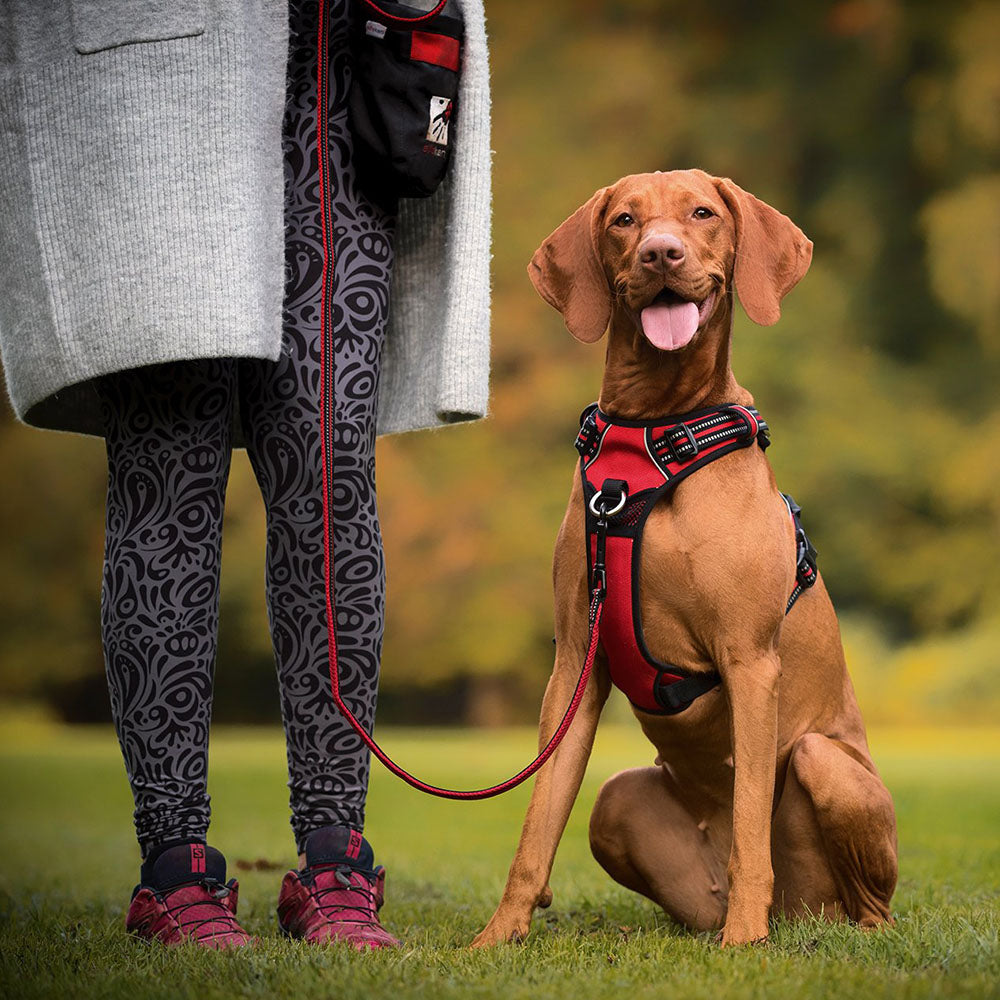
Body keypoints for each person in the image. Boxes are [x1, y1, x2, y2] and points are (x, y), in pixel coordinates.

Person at [0, 0, 491, 948]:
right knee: (167, 478)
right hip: (157, 91)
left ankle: (337, 862)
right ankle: (174, 867)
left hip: (352, 80)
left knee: (333, 474)